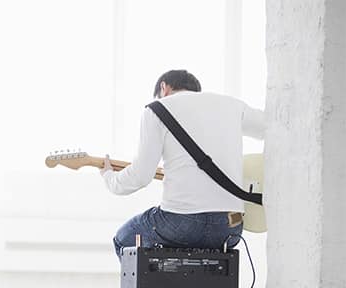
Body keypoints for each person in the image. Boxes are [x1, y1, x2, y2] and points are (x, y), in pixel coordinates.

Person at [100, 69, 265, 258]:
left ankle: (160, 287)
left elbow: (140, 176)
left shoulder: (156, 109)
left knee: (124, 240)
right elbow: (270, 127)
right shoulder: (233, 105)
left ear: (164, 88)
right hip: (230, 227)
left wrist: (109, 177)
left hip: (181, 224)